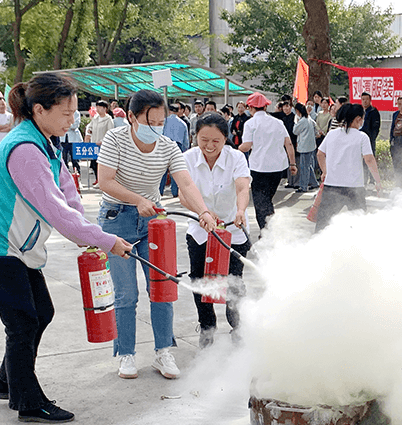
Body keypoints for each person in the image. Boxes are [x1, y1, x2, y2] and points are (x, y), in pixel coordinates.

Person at [0, 73, 133, 423]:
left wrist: (90, 235)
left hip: (17, 248)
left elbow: (67, 198)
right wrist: (107, 241)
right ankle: (27, 400)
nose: (73, 120)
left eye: (75, 113)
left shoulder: (45, 140)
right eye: (67, 113)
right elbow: (55, 211)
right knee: (24, 322)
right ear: (39, 110)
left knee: (41, 312)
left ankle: (5, 381)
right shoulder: (25, 150)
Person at [95, 89, 214, 379]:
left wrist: (203, 212)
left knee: (163, 289)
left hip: (154, 223)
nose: (156, 128)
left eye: (161, 122)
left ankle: (164, 352)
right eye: (151, 122)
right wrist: (137, 199)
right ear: (132, 117)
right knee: (126, 294)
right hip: (116, 219)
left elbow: (185, 185)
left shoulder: (169, 147)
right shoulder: (115, 138)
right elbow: (104, 181)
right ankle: (126, 354)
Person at [182, 113, 252, 348]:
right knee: (200, 279)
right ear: (195, 137)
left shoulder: (236, 158)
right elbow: (184, 194)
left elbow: (242, 187)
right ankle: (207, 327)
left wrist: (241, 210)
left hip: (233, 227)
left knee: (234, 281)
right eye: (204, 140)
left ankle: (238, 325)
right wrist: (203, 213)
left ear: (226, 139)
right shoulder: (187, 158)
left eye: (216, 141)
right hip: (200, 229)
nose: (210, 146)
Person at [315, 103, 381, 233]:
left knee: (323, 224)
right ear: (357, 118)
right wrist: (377, 181)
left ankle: (316, 249)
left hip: (331, 185)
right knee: (358, 224)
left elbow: (320, 154)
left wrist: (325, 171)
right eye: (362, 118)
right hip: (354, 188)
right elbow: (369, 159)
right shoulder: (362, 137)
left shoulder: (332, 134)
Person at [238, 92, 297, 232]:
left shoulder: (250, 123)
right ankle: (269, 230)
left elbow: (246, 145)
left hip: (259, 167)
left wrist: (234, 150)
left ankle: (268, 232)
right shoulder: (278, 122)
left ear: (250, 107)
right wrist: (293, 164)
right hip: (277, 167)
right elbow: (288, 143)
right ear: (265, 107)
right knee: (267, 199)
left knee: (260, 202)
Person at [160, 104, 190, 197]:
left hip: (165, 145)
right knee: (176, 170)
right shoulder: (183, 123)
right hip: (178, 146)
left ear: (169, 111)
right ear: (178, 112)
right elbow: (186, 140)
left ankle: (160, 191)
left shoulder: (164, 121)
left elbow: (160, 134)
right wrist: (185, 151)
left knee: (162, 170)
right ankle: (175, 192)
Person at [84, 101, 114, 187]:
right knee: (93, 163)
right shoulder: (95, 118)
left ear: (105, 108)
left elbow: (110, 132)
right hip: (94, 145)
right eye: (97, 107)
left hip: (103, 146)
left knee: (101, 164)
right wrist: (89, 131)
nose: (97, 109)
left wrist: (102, 141)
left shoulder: (108, 119)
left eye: (99, 107)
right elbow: (90, 126)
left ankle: (101, 181)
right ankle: (97, 179)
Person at [292, 103, 318, 192]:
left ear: (298, 111)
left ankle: (303, 186)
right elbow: (315, 126)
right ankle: (314, 183)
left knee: (304, 167)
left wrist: (296, 121)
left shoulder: (302, 121)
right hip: (311, 145)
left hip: (304, 146)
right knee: (308, 165)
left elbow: (295, 131)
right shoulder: (309, 118)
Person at [60, 107, 82, 175]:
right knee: (64, 157)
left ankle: (77, 173)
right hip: (63, 139)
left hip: (73, 139)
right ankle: (66, 174)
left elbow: (75, 125)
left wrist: (66, 126)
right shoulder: (61, 112)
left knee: (75, 158)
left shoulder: (76, 113)